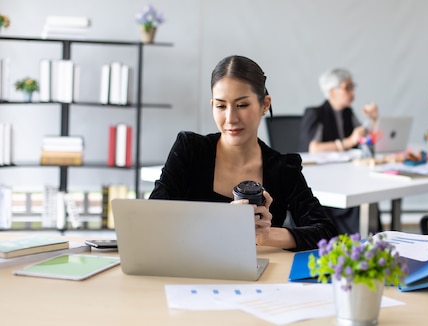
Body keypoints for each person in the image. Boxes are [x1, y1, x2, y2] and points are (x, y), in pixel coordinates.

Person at [149, 55, 338, 251]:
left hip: (256, 276)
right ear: (212, 105)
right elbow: (152, 217)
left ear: (265, 104)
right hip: (187, 270)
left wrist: (266, 235)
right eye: (221, 106)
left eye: (242, 105)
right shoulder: (190, 150)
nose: (230, 118)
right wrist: (224, 223)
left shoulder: (282, 168)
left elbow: (326, 233)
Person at [299, 68, 380, 235]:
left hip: (346, 176)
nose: (352, 92)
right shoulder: (315, 113)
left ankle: (374, 243)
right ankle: (363, 246)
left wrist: (372, 120)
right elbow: (313, 148)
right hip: (324, 183)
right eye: (347, 87)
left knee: (367, 196)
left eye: (353, 87)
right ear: (331, 91)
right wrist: (348, 142)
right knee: (360, 200)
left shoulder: (347, 113)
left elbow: (364, 139)